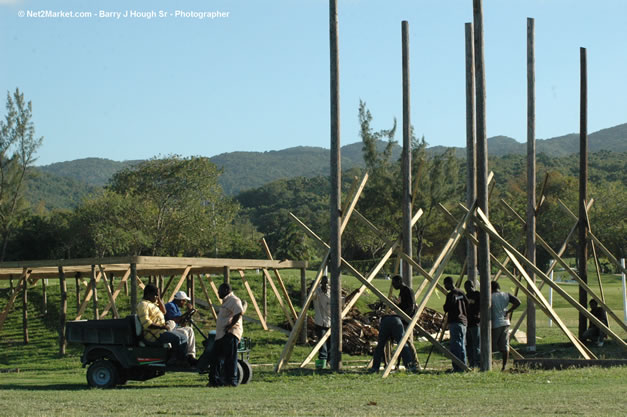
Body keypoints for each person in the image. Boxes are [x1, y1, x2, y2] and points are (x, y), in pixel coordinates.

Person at [369, 275, 417, 373]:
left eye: (394, 283)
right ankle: (397, 364)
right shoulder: (402, 291)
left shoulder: (408, 290)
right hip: (398, 319)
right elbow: (402, 305)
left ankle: (413, 363)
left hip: (404, 319)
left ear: (399, 281)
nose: (393, 286)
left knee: (405, 342)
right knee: (400, 342)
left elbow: (411, 307)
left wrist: (404, 317)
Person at [136, 284, 188, 366]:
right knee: (177, 338)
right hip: (153, 334)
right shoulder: (143, 305)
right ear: (149, 294)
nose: (156, 297)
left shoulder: (152, 303)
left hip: (160, 331)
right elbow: (146, 323)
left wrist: (159, 298)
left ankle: (182, 359)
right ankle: (173, 360)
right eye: (156, 295)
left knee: (183, 337)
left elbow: (164, 312)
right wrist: (163, 327)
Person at [210, 283, 246, 387]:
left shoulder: (234, 300)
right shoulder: (226, 301)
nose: (218, 292)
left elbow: (239, 312)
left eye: (219, 290)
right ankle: (215, 381)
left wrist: (230, 325)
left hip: (230, 334)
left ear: (226, 290)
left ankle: (231, 381)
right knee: (216, 358)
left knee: (230, 359)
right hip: (221, 335)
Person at [490, 280, 521, 371]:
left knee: (491, 345)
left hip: (495, 323)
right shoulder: (506, 295)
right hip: (505, 322)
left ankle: (490, 364)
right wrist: (508, 311)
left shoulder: (491, 296)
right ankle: (504, 366)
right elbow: (518, 302)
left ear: (491, 288)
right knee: (505, 345)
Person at [443, 276, 469, 372]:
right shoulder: (461, 292)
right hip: (463, 321)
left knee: (455, 346)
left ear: (449, 283)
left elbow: (447, 307)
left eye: (445, 284)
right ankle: (463, 365)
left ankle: (458, 367)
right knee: (462, 344)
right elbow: (467, 303)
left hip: (455, 321)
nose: (445, 286)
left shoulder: (451, 295)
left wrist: (445, 306)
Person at [164, 290, 197, 364]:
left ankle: (190, 355)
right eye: (184, 301)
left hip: (176, 327)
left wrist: (189, 315)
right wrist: (188, 312)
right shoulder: (170, 306)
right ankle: (182, 356)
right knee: (184, 332)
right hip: (170, 329)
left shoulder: (177, 308)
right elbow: (175, 320)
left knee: (190, 329)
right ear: (180, 300)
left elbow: (182, 323)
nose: (185, 303)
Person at [312, 276, 331, 364]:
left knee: (331, 343)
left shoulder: (330, 293)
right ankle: (323, 359)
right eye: (324, 282)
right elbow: (312, 295)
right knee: (322, 344)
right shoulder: (317, 292)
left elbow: (341, 301)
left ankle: (329, 360)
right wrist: (314, 285)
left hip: (330, 322)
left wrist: (353, 293)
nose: (325, 284)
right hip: (320, 322)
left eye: (327, 283)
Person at [464, 280, 481, 368]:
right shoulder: (466, 296)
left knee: (476, 345)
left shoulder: (477, 295)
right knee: (469, 345)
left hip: (476, 323)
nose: (467, 289)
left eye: (469, 286)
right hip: (468, 323)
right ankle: (471, 363)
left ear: (472, 286)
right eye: (466, 287)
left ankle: (477, 363)